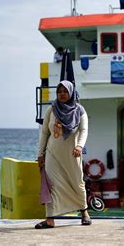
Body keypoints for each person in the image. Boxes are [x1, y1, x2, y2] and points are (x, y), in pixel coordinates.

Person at [35, 80, 90, 229]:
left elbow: (84, 130)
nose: (62, 94)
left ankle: (84, 212)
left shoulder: (79, 110)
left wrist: (79, 146)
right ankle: (50, 219)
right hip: (52, 154)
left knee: (77, 183)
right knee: (51, 185)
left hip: (73, 155)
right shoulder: (51, 110)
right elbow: (45, 133)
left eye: (65, 91)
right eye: (59, 92)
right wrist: (40, 154)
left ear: (71, 92)